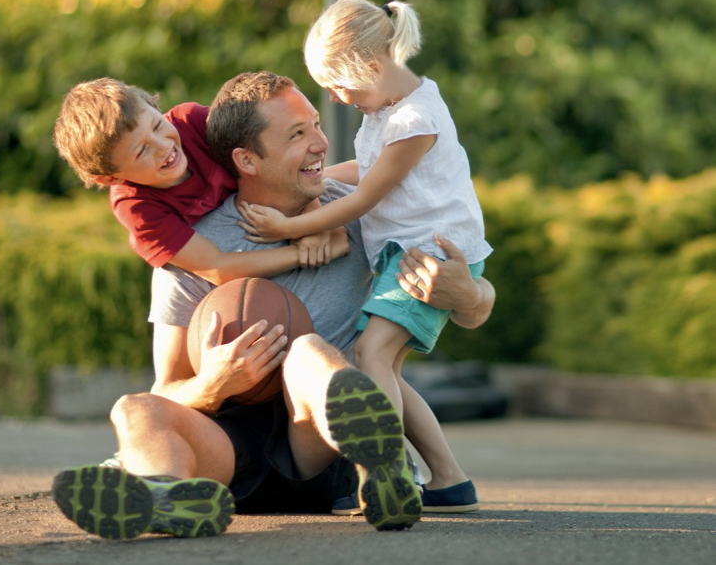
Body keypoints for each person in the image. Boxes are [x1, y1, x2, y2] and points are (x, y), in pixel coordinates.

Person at [51, 72, 495, 540]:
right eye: (296, 135)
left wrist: (469, 294)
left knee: (307, 351)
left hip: (320, 449)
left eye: (317, 125)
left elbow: (471, 309)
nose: (322, 143)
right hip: (231, 451)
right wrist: (213, 383)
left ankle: (378, 464)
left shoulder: (358, 215)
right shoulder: (189, 255)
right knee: (133, 409)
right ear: (245, 158)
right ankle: (163, 496)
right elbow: (168, 387)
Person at [238, 0, 492, 514]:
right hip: (407, 256)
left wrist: (290, 224)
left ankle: (391, 476)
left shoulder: (416, 120)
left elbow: (366, 197)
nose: (335, 97)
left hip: (429, 261)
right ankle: (449, 479)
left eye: (339, 85)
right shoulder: (388, 111)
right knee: (386, 369)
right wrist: (320, 178)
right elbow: (365, 169)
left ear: (372, 66)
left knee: (369, 355)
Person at [53, 77, 343, 286]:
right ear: (112, 177)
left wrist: (313, 219)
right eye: (141, 150)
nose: (162, 145)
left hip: (276, 201)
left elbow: (284, 165)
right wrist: (300, 254)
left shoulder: (192, 122)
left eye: (156, 124)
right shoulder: (137, 207)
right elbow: (217, 267)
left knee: (349, 172)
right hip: (226, 254)